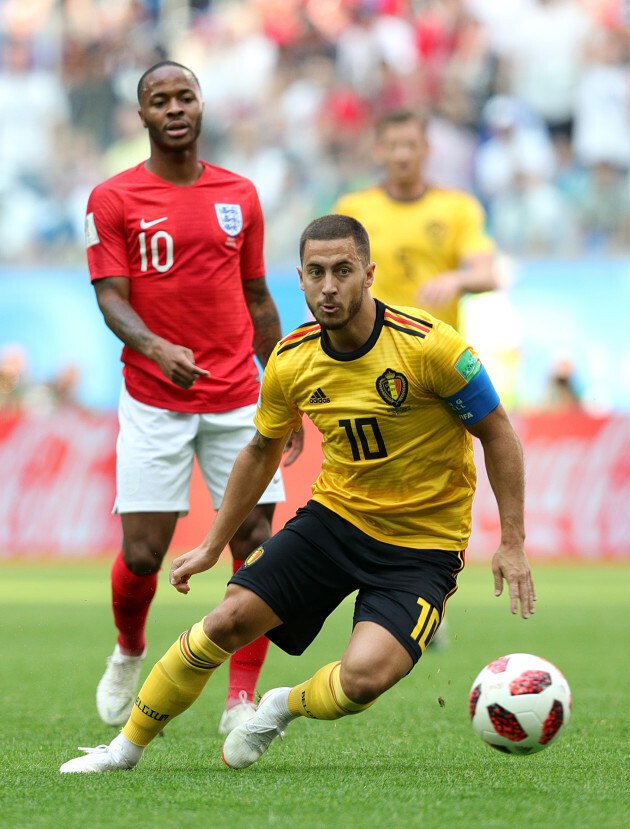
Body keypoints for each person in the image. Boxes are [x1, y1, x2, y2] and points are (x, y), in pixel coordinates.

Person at [60, 214, 535, 775]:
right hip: (335, 521)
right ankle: (123, 750)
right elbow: (260, 450)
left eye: (343, 271)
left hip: (422, 548)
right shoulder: (291, 359)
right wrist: (214, 545)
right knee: (226, 620)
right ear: (301, 280)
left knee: (360, 682)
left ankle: (281, 705)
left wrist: (512, 541)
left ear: (368, 274)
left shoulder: (430, 345)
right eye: (316, 273)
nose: (329, 286)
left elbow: (497, 430)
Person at [83, 60, 302, 737]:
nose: (174, 108)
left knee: (257, 541)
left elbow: (259, 298)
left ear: (202, 106)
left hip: (239, 396)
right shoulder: (113, 198)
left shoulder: (239, 194)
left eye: (185, 96)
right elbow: (110, 297)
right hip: (154, 397)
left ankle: (240, 696)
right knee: (144, 554)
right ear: (142, 115)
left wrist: (284, 391)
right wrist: (155, 347)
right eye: (159, 99)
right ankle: (128, 649)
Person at [333, 109, 499, 333]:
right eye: (393, 146)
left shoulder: (459, 207)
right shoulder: (353, 208)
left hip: (437, 348)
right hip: (373, 349)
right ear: (379, 151)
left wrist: (456, 280)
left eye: (411, 145)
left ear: (427, 149)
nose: (402, 155)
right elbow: (330, 280)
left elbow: (487, 276)